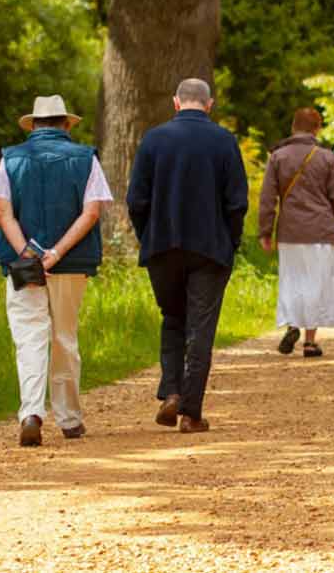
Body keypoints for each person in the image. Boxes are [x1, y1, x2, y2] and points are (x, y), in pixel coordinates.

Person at [0, 95, 112, 446]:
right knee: (64, 337)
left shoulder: (10, 159)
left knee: (29, 336)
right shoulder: (86, 158)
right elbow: (91, 213)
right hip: (70, 263)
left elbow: (3, 213)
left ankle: (31, 413)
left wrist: (28, 253)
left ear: (33, 126)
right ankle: (69, 419)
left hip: (22, 263)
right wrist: (55, 254)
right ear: (66, 124)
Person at [126, 78, 248, 434]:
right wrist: (231, 242)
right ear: (209, 105)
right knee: (201, 327)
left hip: (163, 246)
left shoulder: (153, 139)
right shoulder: (224, 141)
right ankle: (191, 412)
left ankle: (172, 392)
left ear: (176, 102)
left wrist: (148, 236)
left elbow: (136, 201)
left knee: (173, 318)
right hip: (210, 248)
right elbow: (237, 202)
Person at [258, 107, 334, 358]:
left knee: (293, 280)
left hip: (290, 232)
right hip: (321, 230)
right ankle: (310, 342)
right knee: (316, 283)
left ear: (293, 127)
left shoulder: (277, 157)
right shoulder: (327, 158)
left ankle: (292, 325)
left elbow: (268, 198)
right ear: (317, 129)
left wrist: (265, 231)